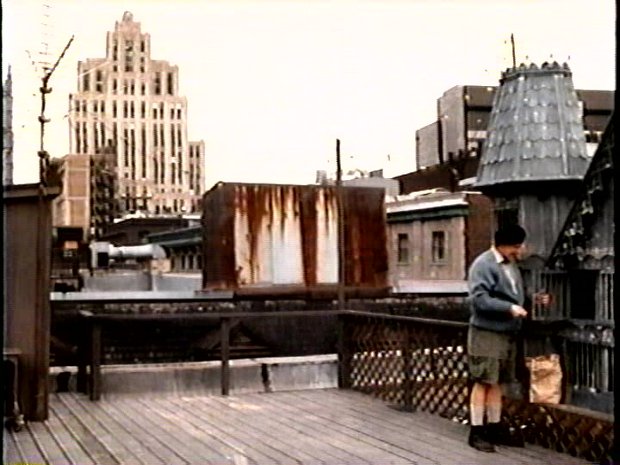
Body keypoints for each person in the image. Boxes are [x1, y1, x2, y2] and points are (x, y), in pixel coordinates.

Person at [466, 224, 549, 452]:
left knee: (497, 382)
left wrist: (533, 300)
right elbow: (478, 299)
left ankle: (494, 426)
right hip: (487, 332)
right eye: (516, 246)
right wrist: (509, 308)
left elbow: (513, 295)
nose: (519, 250)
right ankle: (477, 431)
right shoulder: (483, 265)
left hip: (506, 332)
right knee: (483, 380)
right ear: (503, 245)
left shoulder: (510, 264)